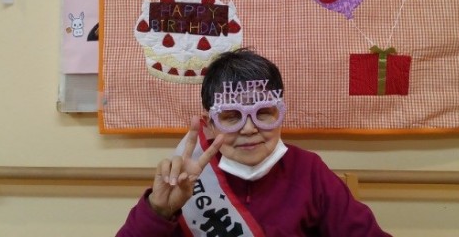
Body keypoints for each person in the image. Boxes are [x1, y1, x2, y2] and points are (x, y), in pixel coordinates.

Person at [116, 48, 392, 236]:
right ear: (209, 123)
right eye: (231, 116)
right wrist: (158, 210)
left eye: (263, 113)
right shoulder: (186, 180)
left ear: (280, 114)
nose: (249, 129)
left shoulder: (308, 170)